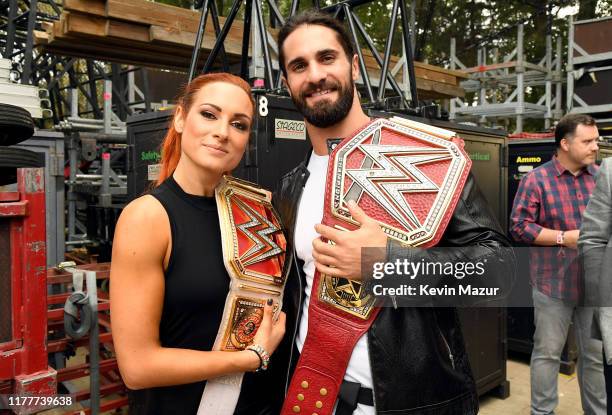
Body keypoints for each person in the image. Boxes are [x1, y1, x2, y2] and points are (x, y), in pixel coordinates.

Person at [239, 10, 514, 414]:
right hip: (314, 398)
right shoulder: (290, 185)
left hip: (409, 404)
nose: (315, 75)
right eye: (299, 66)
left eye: (326, 58)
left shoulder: (426, 158)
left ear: (352, 66)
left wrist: (387, 262)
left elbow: (501, 274)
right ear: (287, 83)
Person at [110, 73, 286, 415]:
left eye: (239, 124)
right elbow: (137, 367)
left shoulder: (259, 210)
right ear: (179, 118)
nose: (222, 131)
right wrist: (249, 359)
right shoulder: (147, 218)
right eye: (209, 114)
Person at [510, 113, 606, 414]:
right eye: (587, 141)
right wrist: (565, 237)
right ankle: (543, 412)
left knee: (594, 356)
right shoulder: (536, 180)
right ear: (565, 143)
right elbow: (519, 227)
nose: (595, 146)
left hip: (596, 285)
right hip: (553, 284)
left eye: (596, 140)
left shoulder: (603, 177)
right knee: (548, 353)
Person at [580, 156, 612, 413]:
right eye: (587, 140)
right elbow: (593, 239)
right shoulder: (610, 170)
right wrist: (601, 309)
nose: (594, 146)